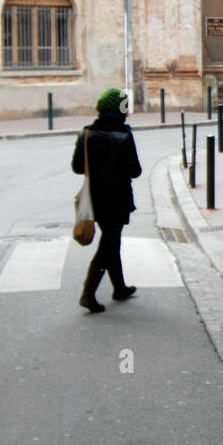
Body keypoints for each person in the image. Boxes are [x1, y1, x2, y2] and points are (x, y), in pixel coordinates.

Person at [72, 87, 143, 312]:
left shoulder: (86, 133)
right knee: (110, 242)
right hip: (118, 198)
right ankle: (88, 293)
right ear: (120, 110)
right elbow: (135, 170)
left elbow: (76, 167)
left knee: (112, 240)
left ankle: (119, 287)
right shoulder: (124, 135)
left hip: (95, 198)